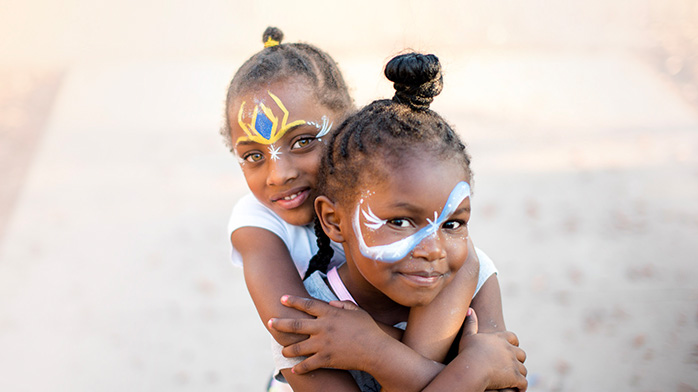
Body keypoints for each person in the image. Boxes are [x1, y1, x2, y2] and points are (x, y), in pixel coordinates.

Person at [222, 27, 513, 390]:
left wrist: (369, 346)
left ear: (347, 122)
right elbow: (297, 330)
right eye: (253, 155)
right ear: (332, 221)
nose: (279, 174)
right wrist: (474, 370)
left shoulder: (446, 261)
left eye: (304, 140)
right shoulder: (260, 224)